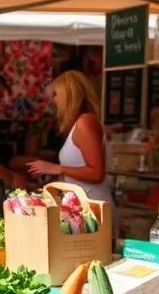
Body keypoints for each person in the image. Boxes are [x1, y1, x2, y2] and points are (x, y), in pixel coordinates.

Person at [27, 70, 111, 203]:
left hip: (94, 207)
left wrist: (57, 168)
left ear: (68, 95)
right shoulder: (79, 124)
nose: (53, 99)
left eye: (56, 94)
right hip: (84, 205)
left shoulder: (85, 122)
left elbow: (97, 173)